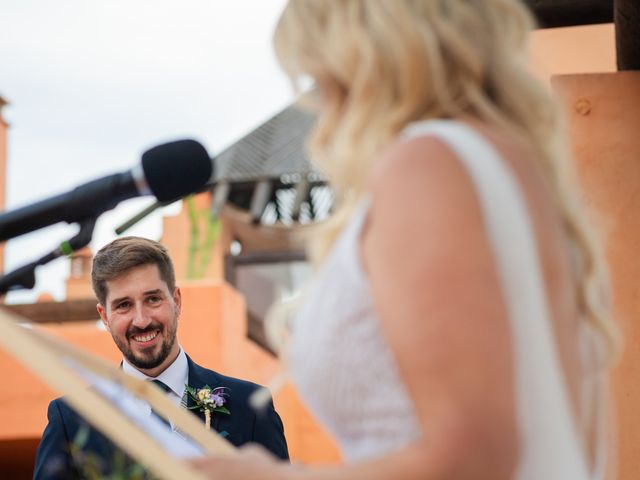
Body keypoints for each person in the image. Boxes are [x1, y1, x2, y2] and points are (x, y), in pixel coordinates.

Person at [191, 1, 621, 479]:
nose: (319, 104)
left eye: (320, 75)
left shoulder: (427, 165)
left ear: (361, 54)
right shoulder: (519, 175)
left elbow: (474, 458)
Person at [33, 236, 289, 479]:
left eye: (153, 299)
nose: (142, 320)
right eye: (123, 305)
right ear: (104, 317)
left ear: (176, 301)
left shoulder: (252, 407)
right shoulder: (70, 418)